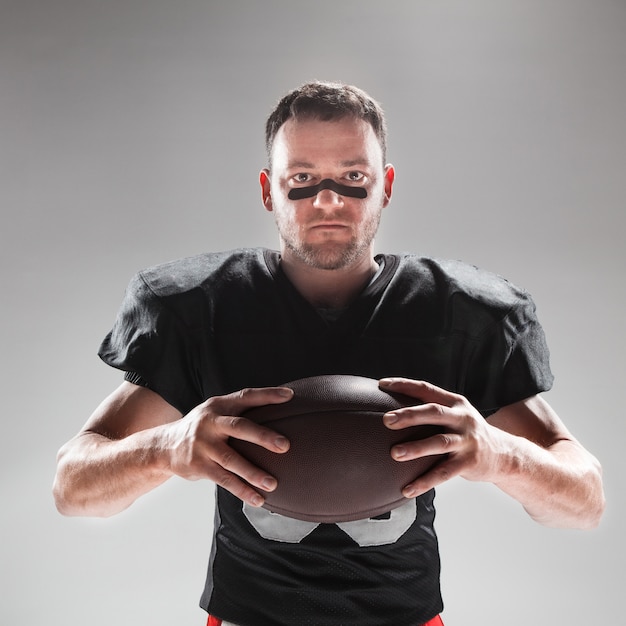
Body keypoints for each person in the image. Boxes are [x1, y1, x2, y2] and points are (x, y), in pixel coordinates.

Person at [53, 81, 605, 626]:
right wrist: (167, 447)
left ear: (385, 186)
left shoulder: (458, 313)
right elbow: (74, 488)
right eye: (303, 178)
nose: (327, 200)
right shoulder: (206, 307)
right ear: (269, 190)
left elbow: (585, 500)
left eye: (353, 177)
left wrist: (500, 455)